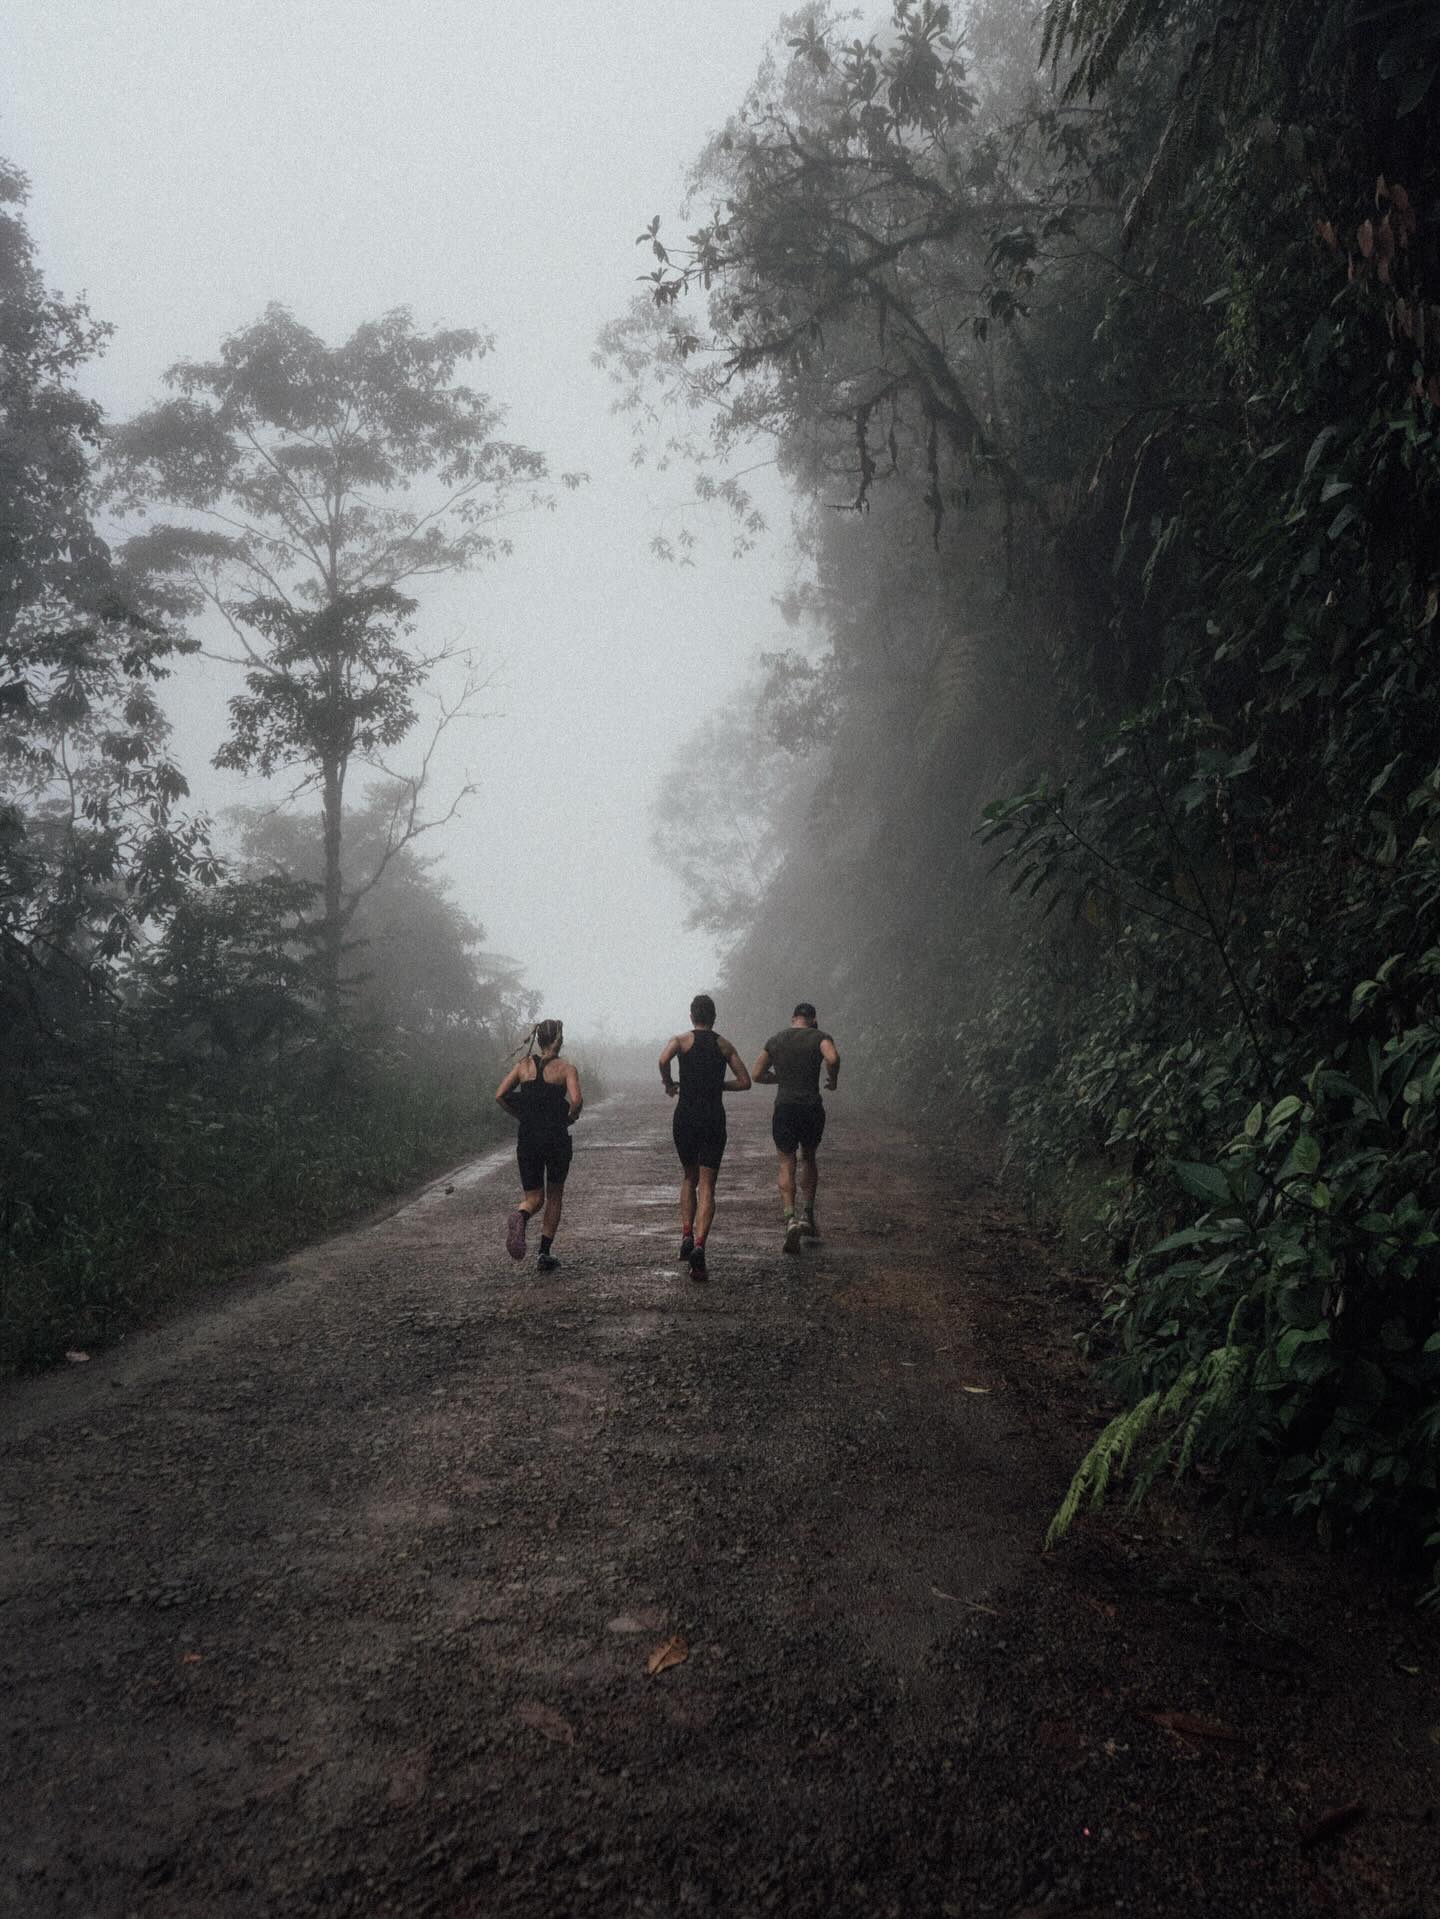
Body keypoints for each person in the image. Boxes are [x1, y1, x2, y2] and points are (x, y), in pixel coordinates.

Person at [658, 993, 752, 1280]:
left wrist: (669, 1083)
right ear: (714, 1018)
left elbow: (662, 1060)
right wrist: (720, 1085)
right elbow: (745, 1082)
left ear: (691, 1016)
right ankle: (700, 1244)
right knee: (708, 1185)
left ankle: (686, 1233)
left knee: (689, 1177)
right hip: (713, 1117)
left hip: (685, 1116)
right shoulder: (723, 1044)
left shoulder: (680, 1041)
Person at [751, 1002, 840, 1255]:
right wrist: (832, 1079)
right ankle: (808, 1216)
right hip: (810, 1107)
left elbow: (757, 1073)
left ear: (793, 1019)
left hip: (785, 1108)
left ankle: (789, 1218)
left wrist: (781, 1077)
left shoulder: (777, 1039)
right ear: (813, 1020)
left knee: (785, 1162)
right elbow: (832, 1057)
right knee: (809, 1157)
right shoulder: (820, 1037)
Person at [494, 1019, 582, 1273]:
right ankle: (544, 1252)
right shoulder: (566, 1069)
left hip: (528, 1138)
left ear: (539, 1038)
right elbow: (576, 1100)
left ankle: (521, 1215)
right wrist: (570, 1118)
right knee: (554, 1194)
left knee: (533, 1198)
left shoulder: (523, 1066)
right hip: (555, 1138)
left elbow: (500, 1095)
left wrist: (521, 1115)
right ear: (558, 1040)